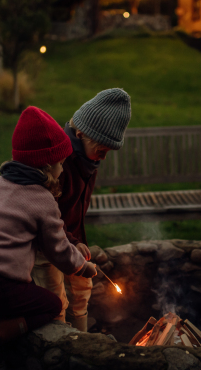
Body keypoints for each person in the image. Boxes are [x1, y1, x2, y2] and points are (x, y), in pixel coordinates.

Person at [0, 106, 97, 370]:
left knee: (1, 322)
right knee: (50, 305)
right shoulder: (41, 199)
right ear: (47, 165)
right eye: (61, 163)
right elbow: (58, 249)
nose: (63, 170)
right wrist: (81, 266)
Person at [31, 88, 131, 332]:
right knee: (55, 297)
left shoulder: (89, 160)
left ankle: (82, 339)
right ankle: (59, 342)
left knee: (82, 289)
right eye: (102, 151)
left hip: (72, 239)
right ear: (80, 134)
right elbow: (48, 214)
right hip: (47, 244)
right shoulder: (58, 165)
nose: (103, 159)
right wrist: (70, 241)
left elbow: (75, 207)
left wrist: (77, 240)